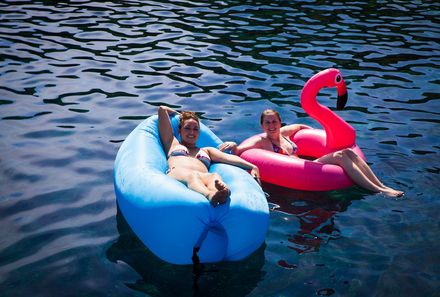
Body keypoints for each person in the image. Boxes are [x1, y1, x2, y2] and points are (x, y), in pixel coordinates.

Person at [219, 109, 404, 198]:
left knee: (348, 152)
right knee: (341, 156)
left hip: (309, 165)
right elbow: (241, 150)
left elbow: (301, 127)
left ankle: (381, 185)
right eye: (267, 123)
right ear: (262, 126)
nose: (271, 126)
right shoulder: (262, 141)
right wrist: (232, 144)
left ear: (280, 122)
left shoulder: (284, 133)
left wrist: (312, 133)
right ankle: (379, 191)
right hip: (299, 170)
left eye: (274, 121)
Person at [158, 106, 260, 206]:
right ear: (179, 131)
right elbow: (162, 109)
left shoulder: (207, 150)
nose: (191, 132)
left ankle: (221, 193)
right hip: (180, 173)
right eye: (187, 128)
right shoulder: (172, 143)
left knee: (214, 176)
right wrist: (181, 116)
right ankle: (210, 195)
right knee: (192, 176)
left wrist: (252, 166)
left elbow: (230, 158)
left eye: (195, 129)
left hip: (203, 176)